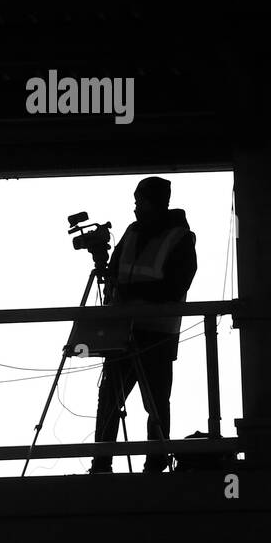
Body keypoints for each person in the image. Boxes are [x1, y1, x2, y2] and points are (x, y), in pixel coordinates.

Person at [89, 178, 197, 474]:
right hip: (123, 331)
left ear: (157, 202)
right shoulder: (133, 233)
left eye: (141, 201)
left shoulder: (180, 238)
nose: (136, 207)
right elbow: (113, 272)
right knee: (110, 397)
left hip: (157, 333)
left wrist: (134, 295)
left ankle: (156, 461)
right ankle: (101, 463)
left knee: (156, 402)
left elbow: (176, 286)